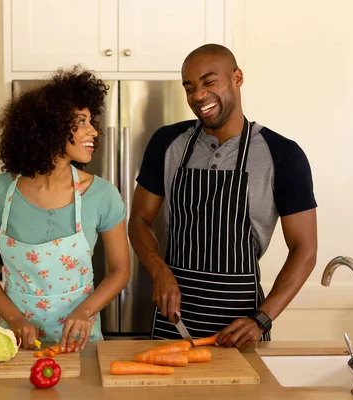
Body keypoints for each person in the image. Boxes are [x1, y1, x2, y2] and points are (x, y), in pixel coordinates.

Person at [128, 44, 318, 348]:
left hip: (242, 325)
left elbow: (304, 249)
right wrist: (159, 271)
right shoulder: (168, 143)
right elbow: (139, 219)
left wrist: (262, 319)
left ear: (237, 78)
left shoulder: (283, 154)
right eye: (189, 88)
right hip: (175, 321)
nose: (198, 96)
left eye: (208, 82)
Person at [0, 66, 130, 352]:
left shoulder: (102, 195)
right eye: (81, 122)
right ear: (49, 126)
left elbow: (120, 270)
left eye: (91, 121)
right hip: (16, 344)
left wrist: (84, 312)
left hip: (82, 344)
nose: (93, 130)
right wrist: (14, 319)